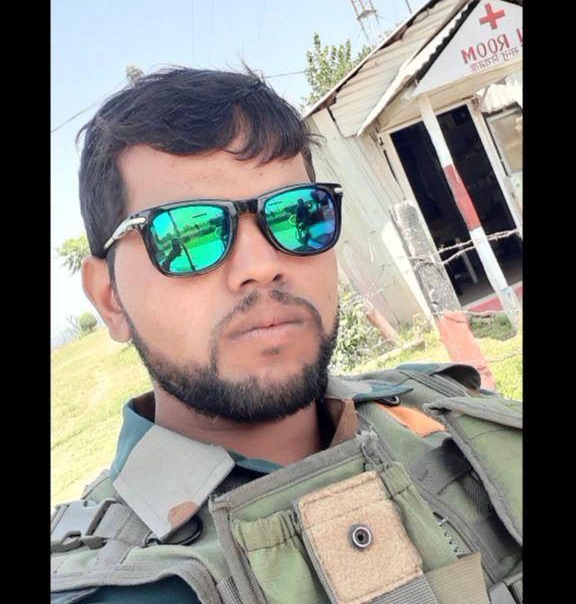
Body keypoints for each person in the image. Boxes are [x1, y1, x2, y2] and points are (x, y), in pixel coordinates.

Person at [51, 68, 522, 604]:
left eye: (297, 214)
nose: (261, 264)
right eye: (188, 233)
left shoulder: (444, 411)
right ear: (110, 298)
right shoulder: (106, 588)